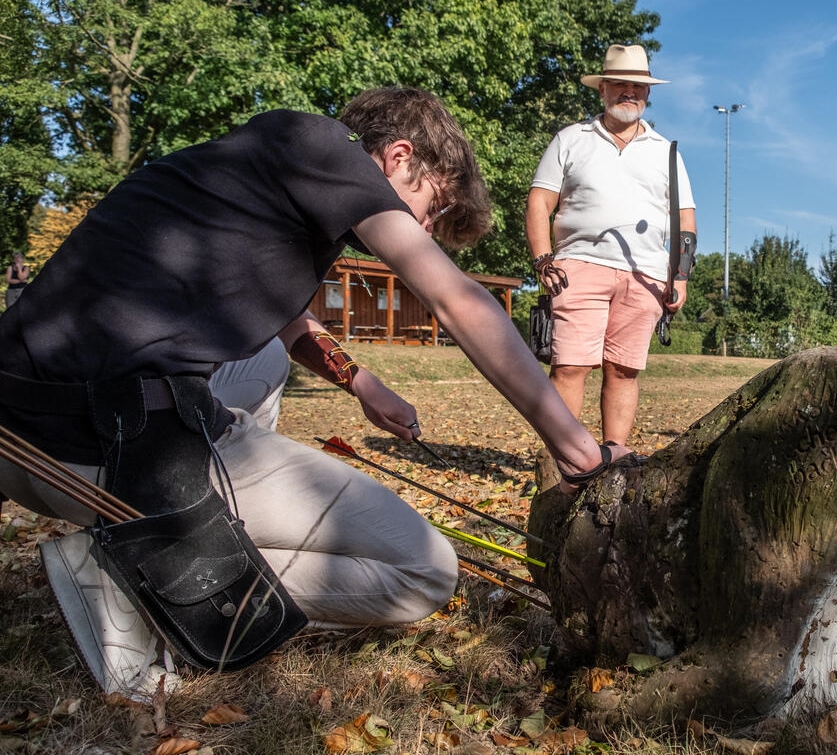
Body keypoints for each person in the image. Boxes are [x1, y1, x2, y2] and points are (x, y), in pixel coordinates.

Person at [0, 86, 625, 699]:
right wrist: (578, 451)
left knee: (266, 358)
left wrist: (362, 382)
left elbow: (288, 323)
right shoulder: (330, 149)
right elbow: (456, 299)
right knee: (425, 571)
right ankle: (139, 578)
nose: (426, 229)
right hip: (104, 443)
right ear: (398, 157)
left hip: (21, 428)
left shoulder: (266, 164)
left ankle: (199, 518)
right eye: (431, 208)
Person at [525, 44, 695, 446]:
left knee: (624, 370)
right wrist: (543, 260)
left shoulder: (666, 152)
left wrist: (680, 276)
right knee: (569, 367)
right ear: (602, 89)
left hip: (646, 274)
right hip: (577, 267)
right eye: (619, 84)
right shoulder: (571, 140)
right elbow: (539, 202)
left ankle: (615, 459)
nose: (629, 92)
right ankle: (563, 462)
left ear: (648, 94)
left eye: (637, 86)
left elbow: (685, 221)